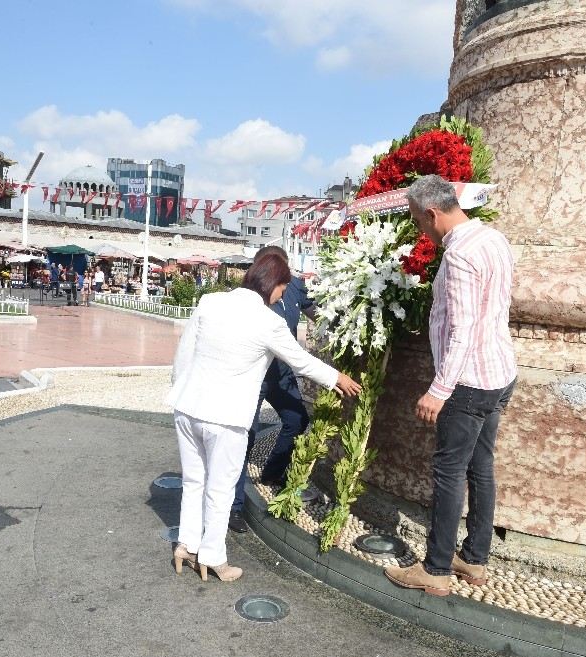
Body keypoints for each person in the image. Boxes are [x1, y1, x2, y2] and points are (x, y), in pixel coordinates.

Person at [168, 254, 361, 582]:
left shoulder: (210, 301)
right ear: (273, 283)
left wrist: (180, 394)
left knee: (193, 482)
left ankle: (186, 544)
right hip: (225, 418)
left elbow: (183, 354)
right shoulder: (267, 320)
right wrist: (338, 378)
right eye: (283, 287)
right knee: (220, 489)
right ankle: (213, 557)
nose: (284, 295)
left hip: (188, 409)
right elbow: (301, 361)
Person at [384, 175, 517, 596]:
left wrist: (439, 390)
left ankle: (437, 569)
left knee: (448, 472)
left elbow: (462, 331)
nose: (420, 229)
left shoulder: (459, 256)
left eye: (418, 221)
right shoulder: (494, 240)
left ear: (432, 213)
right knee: (481, 468)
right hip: (499, 373)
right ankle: (474, 559)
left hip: (469, 381)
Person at [229, 245, 314, 534]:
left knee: (297, 419)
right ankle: (235, 506)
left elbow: (314, 310)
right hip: (253, 373)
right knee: (246, 435)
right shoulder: (248, 297)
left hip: (280, 372)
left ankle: (273, 472)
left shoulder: (294, 288)